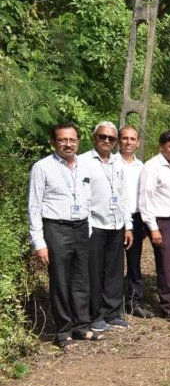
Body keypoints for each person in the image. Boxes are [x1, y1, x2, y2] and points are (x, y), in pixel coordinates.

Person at [28, 122, 98, 347]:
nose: (68, 144)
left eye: (72, 140)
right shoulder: (42, 167)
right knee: (60, 280)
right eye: (62, 140)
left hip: (81, 227)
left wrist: (88, 226)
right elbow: (34, 206)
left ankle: (82, 327)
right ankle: (63, 331)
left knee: (81, 280)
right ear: (54, 142)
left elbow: (89, 199)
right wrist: (39, 242)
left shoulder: (85, 166)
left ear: (78, 141)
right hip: (56, 228)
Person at [82, 121, 133, 331]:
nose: (106, 141)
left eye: (111, 138)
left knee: (113, 271)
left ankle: (112, 313)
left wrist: (128, 226)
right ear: (94, 138)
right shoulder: (83, 161)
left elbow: (123, 196)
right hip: (94, 225)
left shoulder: (117, 163)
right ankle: (95, 315)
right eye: (102, 136)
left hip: (116, 225)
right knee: (94, 272)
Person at [139, 131, 170, 322]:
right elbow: (145, 199)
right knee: (166, 265)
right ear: (161, 146)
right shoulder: (152, 167)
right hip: (161, 222)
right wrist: (153, 227)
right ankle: (168, 308)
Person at [118, 126, 154, 318]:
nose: (129, 142)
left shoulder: (142, 167)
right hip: (114, 219)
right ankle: (112, 303)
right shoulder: (112, 163)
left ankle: (134, 302)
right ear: (118, 141)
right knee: (113, 263)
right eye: (125, 138)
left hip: (137, 217)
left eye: (132, 139)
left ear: (138, 142)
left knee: (134, 262)